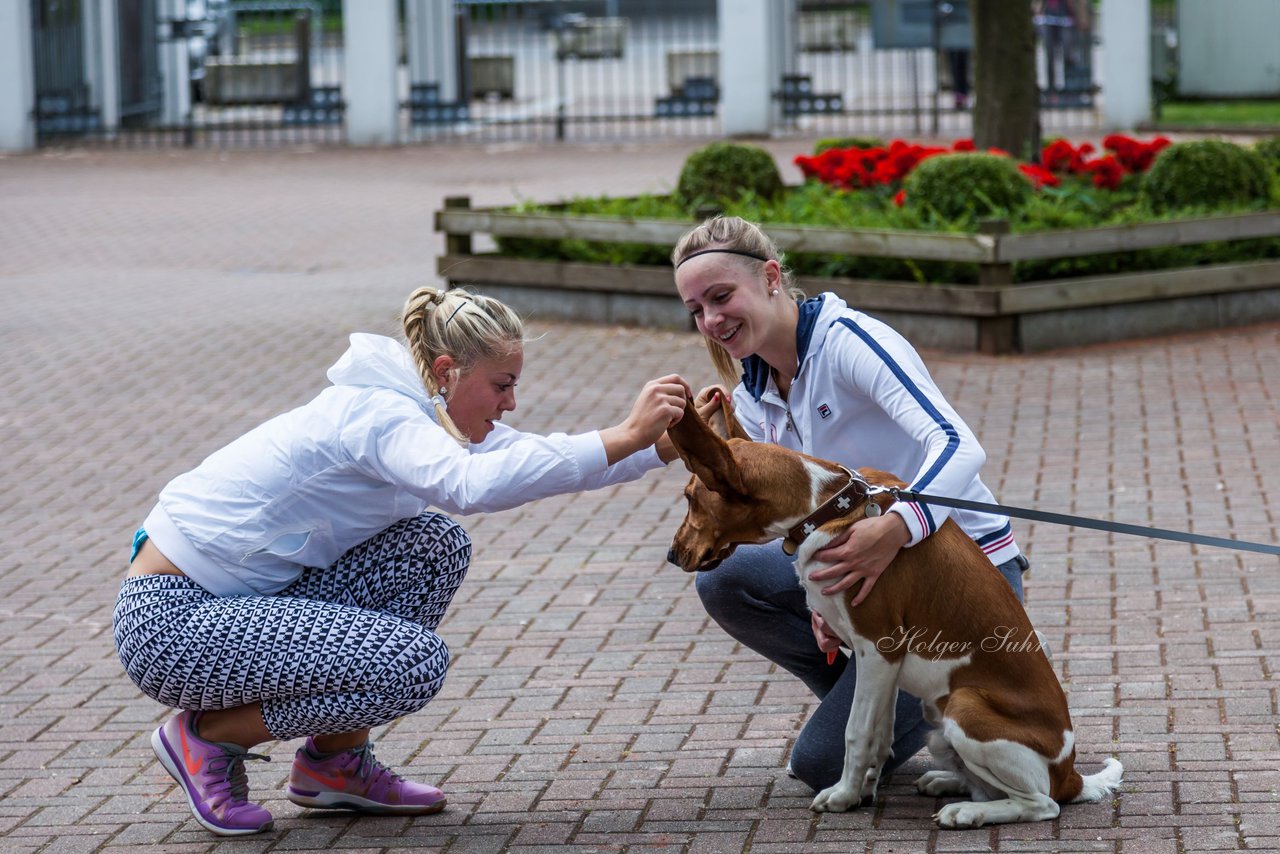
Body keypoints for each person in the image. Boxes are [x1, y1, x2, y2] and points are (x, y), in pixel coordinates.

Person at [114, 285, 690, 836]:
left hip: (238, 604)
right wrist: (626, 432)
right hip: (171, 624)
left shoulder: (421, 411)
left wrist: (655, 448)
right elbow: (472, 485)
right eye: (502, 384)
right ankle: (209, 737)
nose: (511, 402)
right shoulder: (379, 414)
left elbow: (526, 456)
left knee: (432, 546)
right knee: (411, 665)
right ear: (446, 372)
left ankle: (334, 765)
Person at [671, 216, 1029, 793]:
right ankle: (869, 693)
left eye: (720, 296)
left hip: (960, 583)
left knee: (817, 769)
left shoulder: (852, 341)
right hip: (871, 580)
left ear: (769, 277)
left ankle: (890, 704)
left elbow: (959, 445)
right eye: (696, 309)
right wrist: (815, 592)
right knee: (726, 577)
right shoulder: (755, 392)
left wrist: (895, 527)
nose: (711, 320)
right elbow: (797, 521)